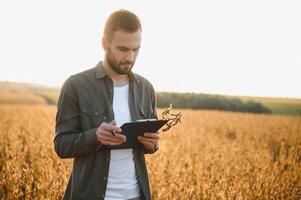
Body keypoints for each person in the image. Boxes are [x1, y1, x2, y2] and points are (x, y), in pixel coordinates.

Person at [54, 9, 160, 200]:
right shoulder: (75, 85)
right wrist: (95, 136)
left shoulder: (146, 88)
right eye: (123, 49)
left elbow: (151, 145)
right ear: (104, 43)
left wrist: (152, 144)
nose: (130, 57)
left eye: (136, 49)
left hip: (136, 195)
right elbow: (61, 145)